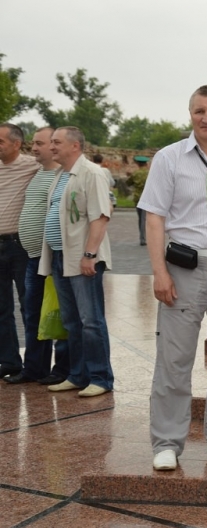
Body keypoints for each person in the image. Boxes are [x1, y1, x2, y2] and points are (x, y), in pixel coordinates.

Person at [138, 85, 207, 471]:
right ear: (190, 114)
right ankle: (167, 440)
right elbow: (154, 217)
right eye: (199, 111)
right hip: (185, 269)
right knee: (175, 357)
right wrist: (159, 272)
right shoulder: (170, 158)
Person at [39, 126, 114, 397]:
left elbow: (100, 217)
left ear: (75, 146)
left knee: (90, 320)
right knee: (71, 321)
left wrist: (90, 254)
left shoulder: (91, 173)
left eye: (57, 142)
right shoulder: (61, 175)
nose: (52, 146)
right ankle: (78, 374)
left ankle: (100, 377)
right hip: (61, 257)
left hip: (84, 258)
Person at [4, 127, 70, 385]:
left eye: (40, 143)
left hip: (49, 257)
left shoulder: (61, 175)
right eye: (35, 143)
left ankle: (62, 368)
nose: (35, 148)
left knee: (57, 313)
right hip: (33, 256)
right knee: (32, 314)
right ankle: (34, 368)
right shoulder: (37, 173)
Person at [0, 123, 40, 379]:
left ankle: (35, 365)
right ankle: (8, 362)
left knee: (29, 306)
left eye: (0, 141)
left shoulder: (32, 166)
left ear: (16, 144)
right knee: (1, 308)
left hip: (20, 246)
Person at [129, 156, 149, 245]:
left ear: (138, 164)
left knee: (140, 218)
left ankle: (142, 237)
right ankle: (144, 238)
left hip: (137, 198)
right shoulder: (150, 173)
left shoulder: (135, 174)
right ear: (146, 164)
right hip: (147, 198)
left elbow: (128, 183)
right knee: (145, 219)